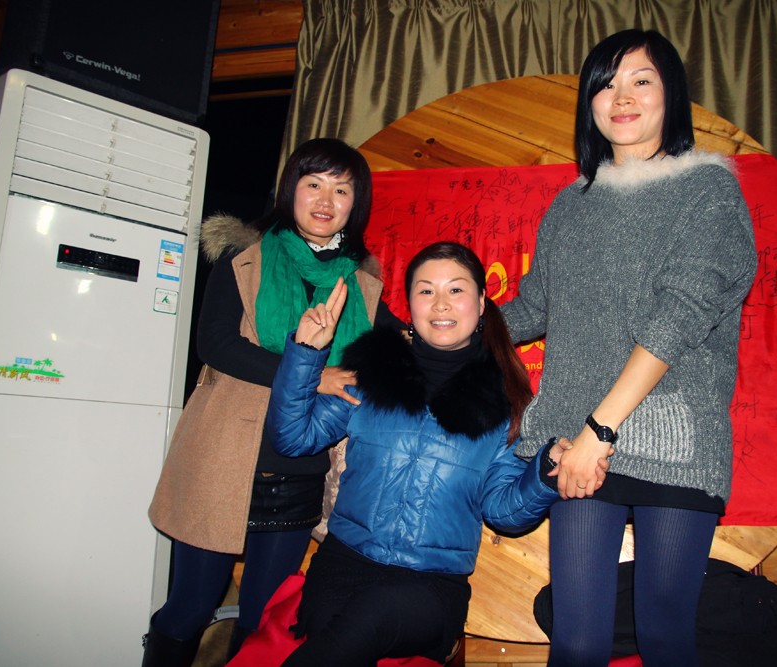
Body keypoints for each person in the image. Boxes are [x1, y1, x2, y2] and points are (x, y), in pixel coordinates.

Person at [501, 29, 758, 667]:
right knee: (577, 641)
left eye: (641, 81)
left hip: (670, 439)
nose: (621, 97)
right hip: (580, 442)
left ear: (672, 96)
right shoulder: (570, 204)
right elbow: (532, 308)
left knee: (663, 635)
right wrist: (438, 326)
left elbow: (680, 315)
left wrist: (600, 430)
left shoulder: (709, 189)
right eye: (606, 84)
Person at [260, 242, 608, 666]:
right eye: (426, 291)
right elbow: (293, 438)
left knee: (371, 616)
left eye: (456, 290)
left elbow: (503, 512)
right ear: (409, 304)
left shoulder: (504, 403)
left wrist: (546, 472)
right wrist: (306, 353)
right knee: (340, 631)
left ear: (482, 302)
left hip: (431, 587)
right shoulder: (374, 374)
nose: (440, 303)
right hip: (343, 564)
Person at [144, 138, 399, 666]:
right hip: (224, 458)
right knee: (190, 607)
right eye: (313, 184)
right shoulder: (246, 257)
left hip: (303, 470)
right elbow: (215, 344)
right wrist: (316, 376)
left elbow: (403, 344)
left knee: (263, 621)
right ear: (290, 191)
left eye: (341, 189)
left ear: (356, 203)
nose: (326, 200)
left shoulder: (362, 283)